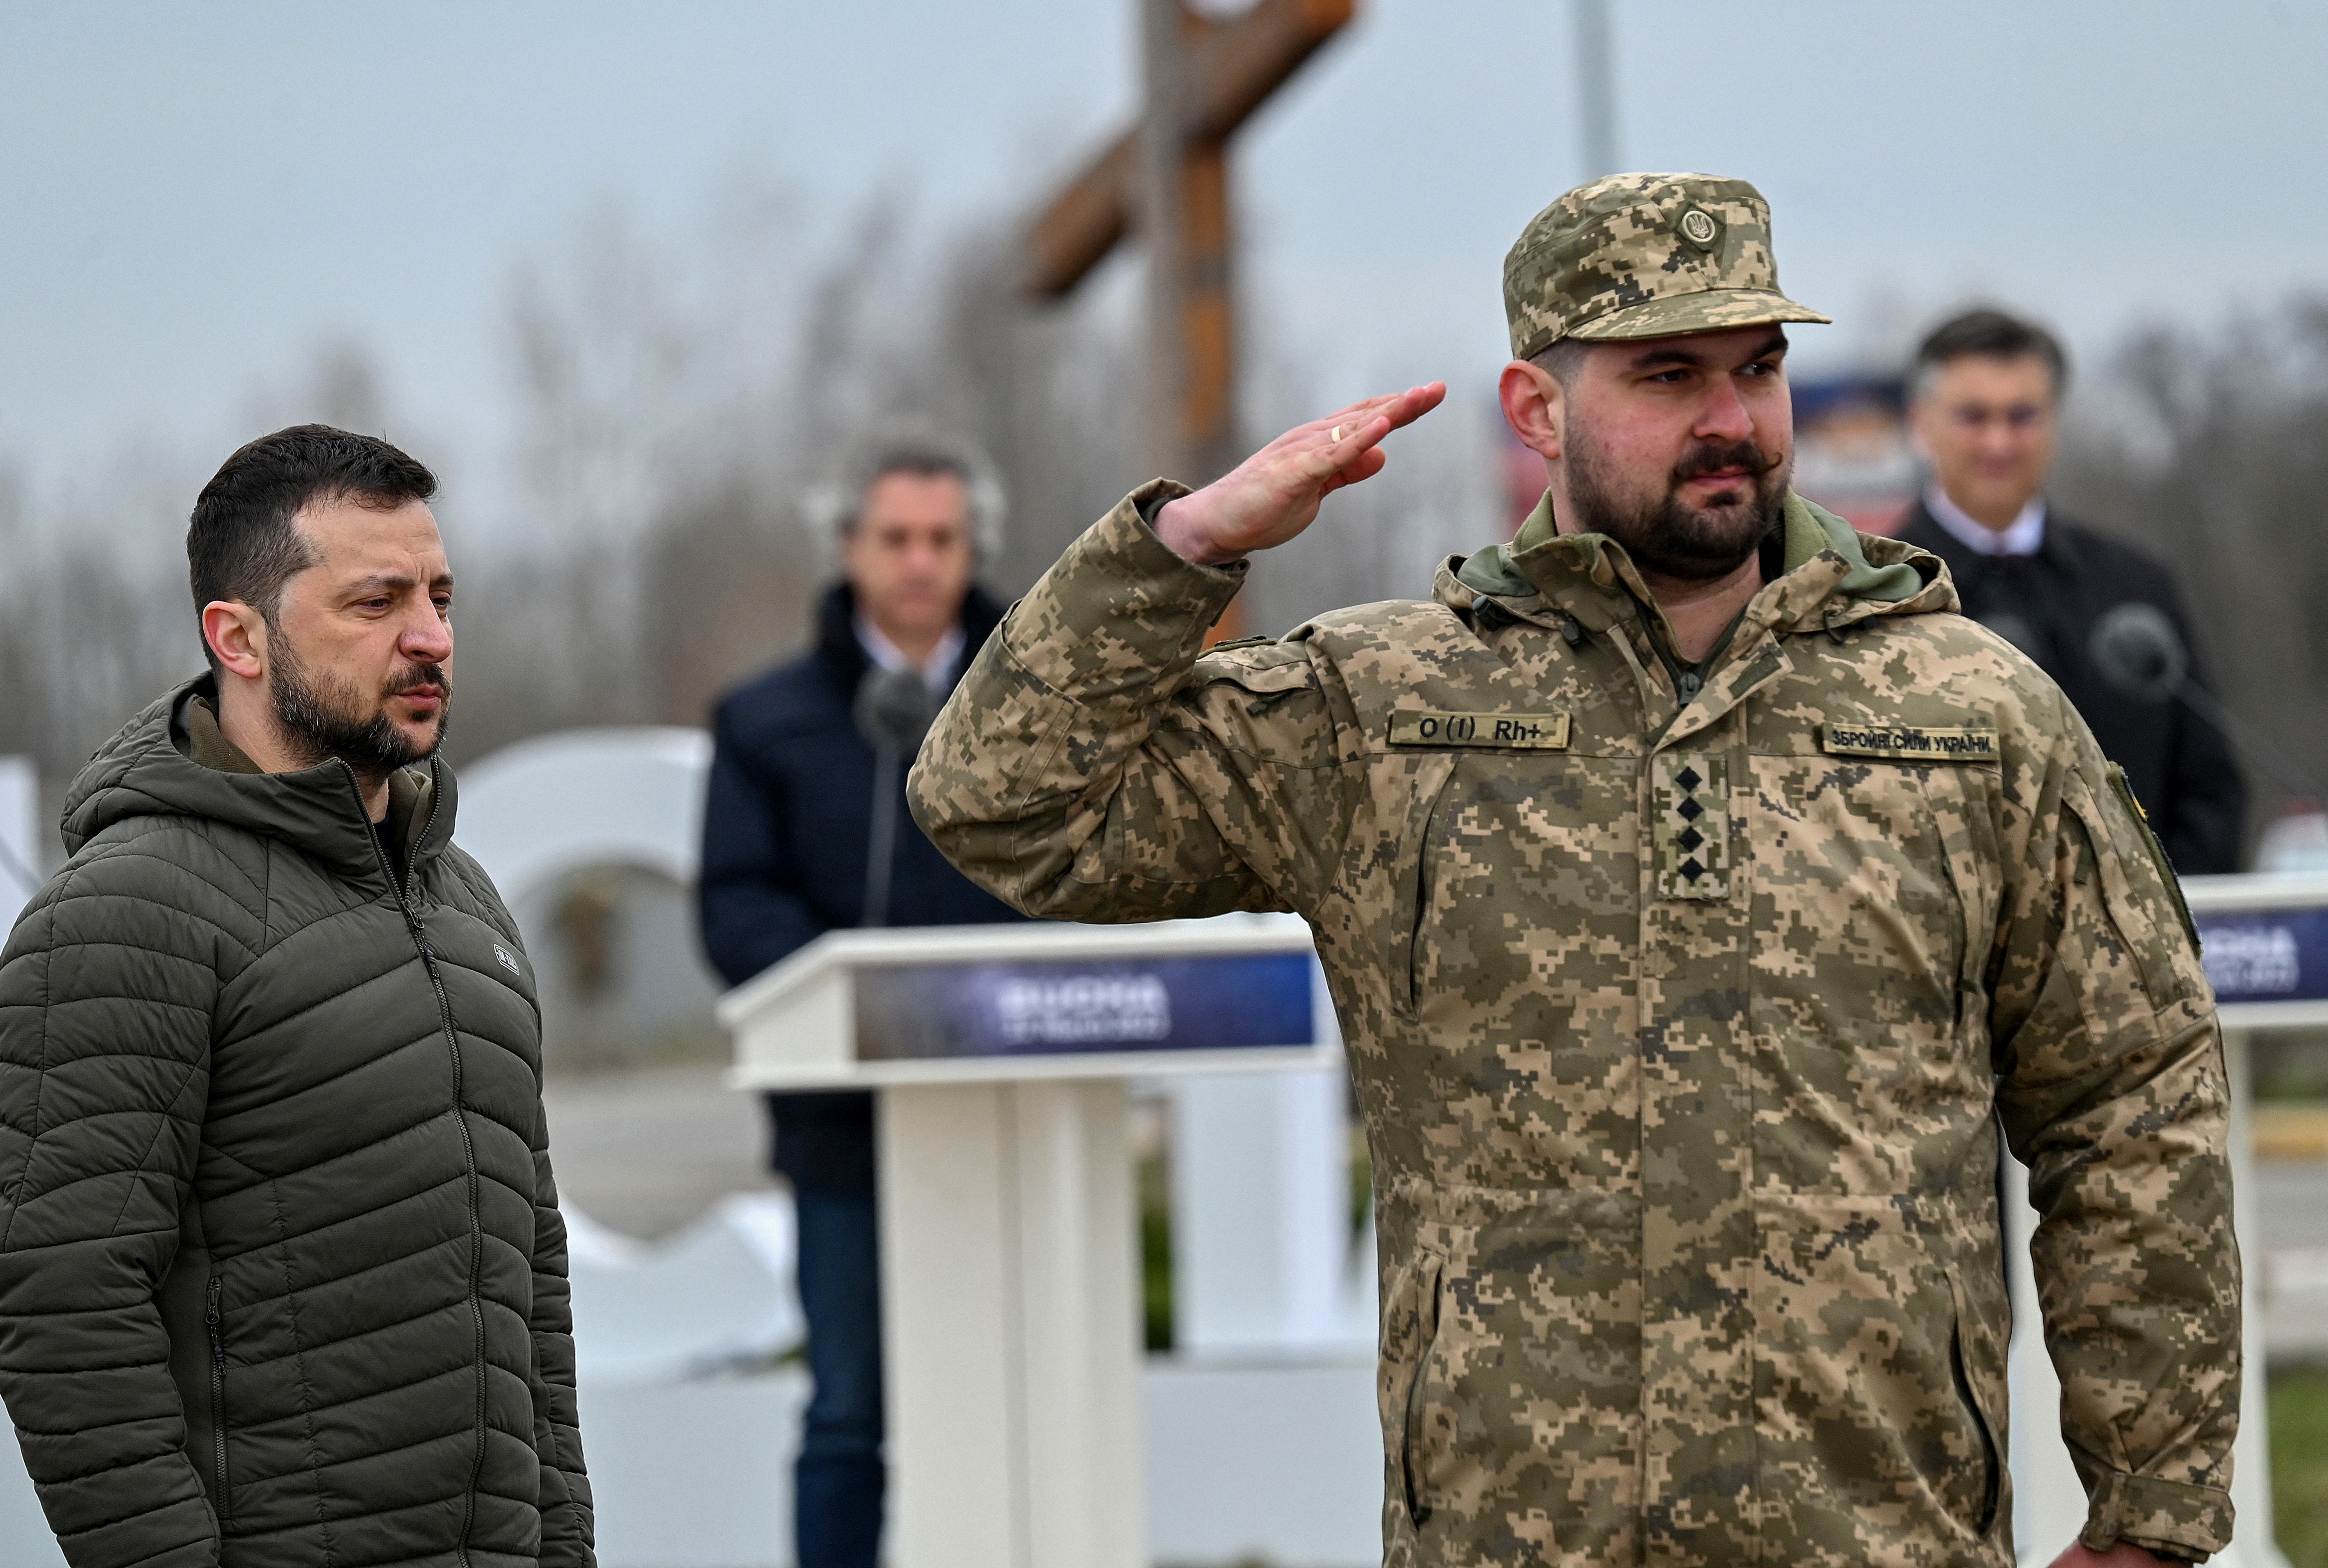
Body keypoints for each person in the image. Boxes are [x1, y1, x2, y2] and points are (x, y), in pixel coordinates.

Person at [910, 173, 2238, 1567]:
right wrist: (1182, 550)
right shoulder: (1386, 708)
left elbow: (2129, 1096)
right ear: (1534, 410)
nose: (1729, 418)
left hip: (1874, 1533)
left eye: (1757, 368)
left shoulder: (1967, 715)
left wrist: (2148, 1516)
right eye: (1667, 373)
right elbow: (1001, 804)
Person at [0, 426, 592, 1566]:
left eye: (441, 596)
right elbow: (63, 1302)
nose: (431, 638)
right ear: (239, 637)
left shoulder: (467, 903)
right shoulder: (122, 911)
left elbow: (531, 1279)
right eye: (375, 603)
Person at [696, 438, 1023, 1568]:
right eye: (897, 538)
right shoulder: (763, 718)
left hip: (1018, 1114)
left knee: (1016, 1397)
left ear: (974, 549)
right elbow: (736, 909)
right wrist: (865, 1001)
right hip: (844, 1135)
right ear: (850, 548)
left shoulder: (1042, 702)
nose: (922, 562)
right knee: (851, 1413)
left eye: (944, 539)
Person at [1896, 307, 2245, 873]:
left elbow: (2210, 794)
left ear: (2054, 419)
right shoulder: (1877, 597)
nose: (1999, 442)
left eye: (2022, 416)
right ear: (1920, 423)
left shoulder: (2137, 586)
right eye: (1974, 416)